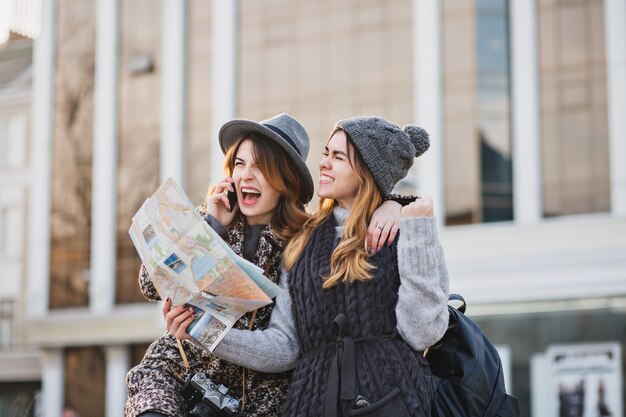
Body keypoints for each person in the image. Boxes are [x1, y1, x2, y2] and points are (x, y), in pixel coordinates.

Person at [125, 113, 405, 417]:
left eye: (260, 167)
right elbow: (148, 284)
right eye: (240, 164)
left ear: (287, 181)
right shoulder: (211, 217)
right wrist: (211, 227)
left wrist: (395, 204)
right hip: (183, 367)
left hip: (260, 394)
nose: (245, 176)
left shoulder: (306, 243)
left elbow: (358, 208)